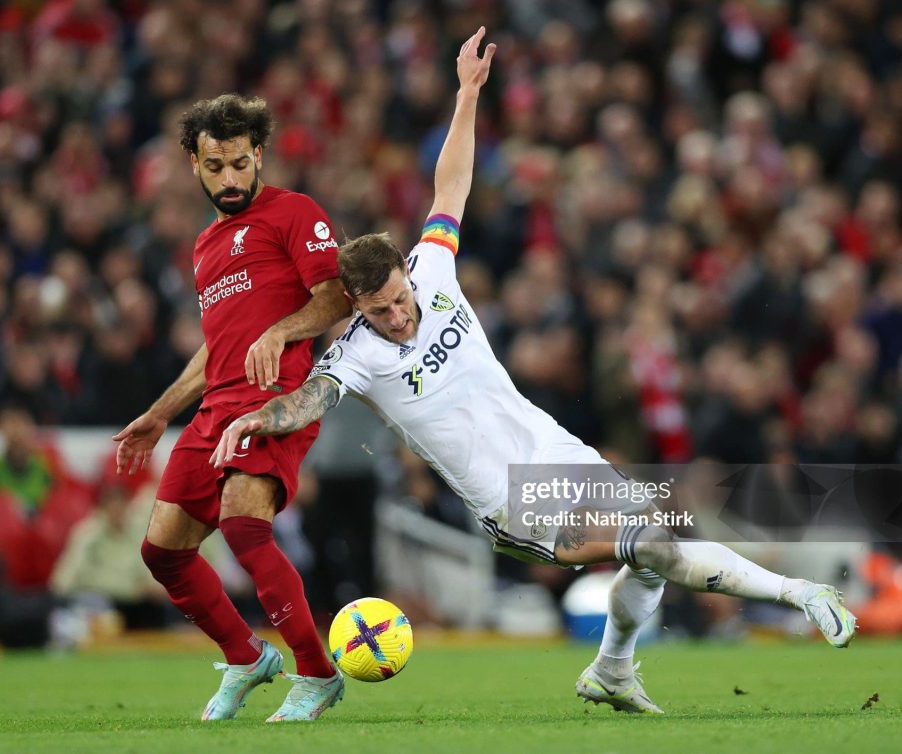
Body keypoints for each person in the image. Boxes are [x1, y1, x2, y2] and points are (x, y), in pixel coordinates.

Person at [210, 27, 857, 715]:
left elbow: (451, 182)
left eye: (399, 300)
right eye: (380, 311)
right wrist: (256, 416)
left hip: (554, 449)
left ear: (407, 274)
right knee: (657, 545)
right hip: (510, 500)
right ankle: (801, 596)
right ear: (355, 308)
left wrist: (466, 95)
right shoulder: (357, 357)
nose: (399, 317)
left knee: (654, 536)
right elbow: (309, 399)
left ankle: (612, 670)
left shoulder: (433, 269)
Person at [113, 92, 352, 722]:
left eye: (241, 164)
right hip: (214, 406)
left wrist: (281, 332)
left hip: (275, 399)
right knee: (162, 552)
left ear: (259, 155)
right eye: (215, 166)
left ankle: (317, 672)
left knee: (246, 526)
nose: (230, 179)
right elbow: (217, 348)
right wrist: (162, 411)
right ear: (194, 163)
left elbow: (335, 299)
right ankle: (248, 657)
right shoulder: (204, 247)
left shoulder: (295, 212)